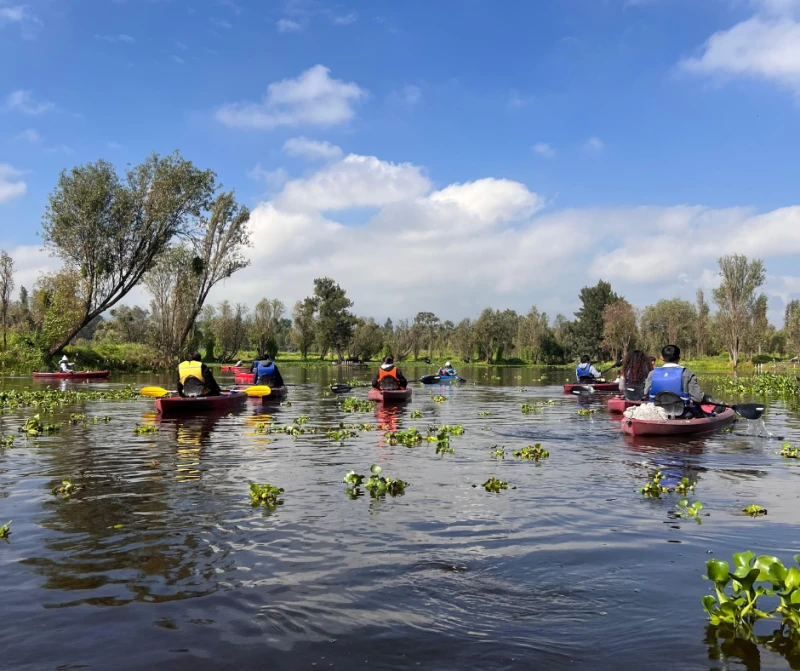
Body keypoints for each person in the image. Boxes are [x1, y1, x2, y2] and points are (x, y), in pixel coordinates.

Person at [644, 344, 705, 417]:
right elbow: (698, 398)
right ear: (678, 358)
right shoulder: (687, 373)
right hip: (682, 414)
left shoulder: (652, 374)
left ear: (662, 358)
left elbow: (646, 393)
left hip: (657, 413)